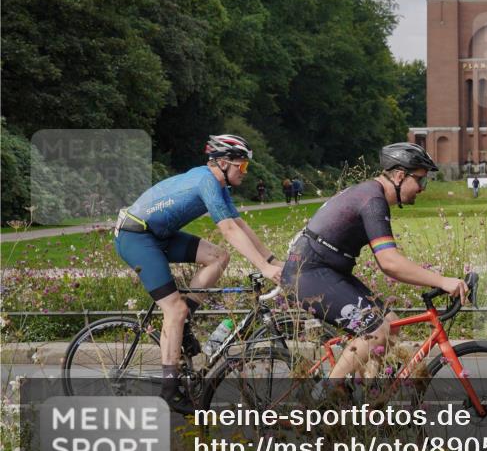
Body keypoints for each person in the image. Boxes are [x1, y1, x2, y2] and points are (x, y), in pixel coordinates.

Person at [114, 135, 283, 414]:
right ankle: (169, 391)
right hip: (136, 237)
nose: (245, 172)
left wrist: (272, 260)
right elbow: (228, 230)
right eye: (242, 167)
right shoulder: (207, 182)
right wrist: (263, 269)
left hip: (159, 235)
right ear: (224, 163)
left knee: (219, 257)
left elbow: (240, 225)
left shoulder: (216, 183)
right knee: (174, 310)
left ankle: (185, 320)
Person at [282, 143, 469, 388]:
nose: (422, 189)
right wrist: (442, 281)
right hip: (310, 274)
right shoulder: (373, 200)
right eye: (421, 181)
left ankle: (365, 402)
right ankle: (323, 399)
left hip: (325, 270)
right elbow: (389, 262)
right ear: (400, 176)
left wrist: (435, 277)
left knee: (389, 325)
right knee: (377, 331)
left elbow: (390, 259)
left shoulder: (371, 193)